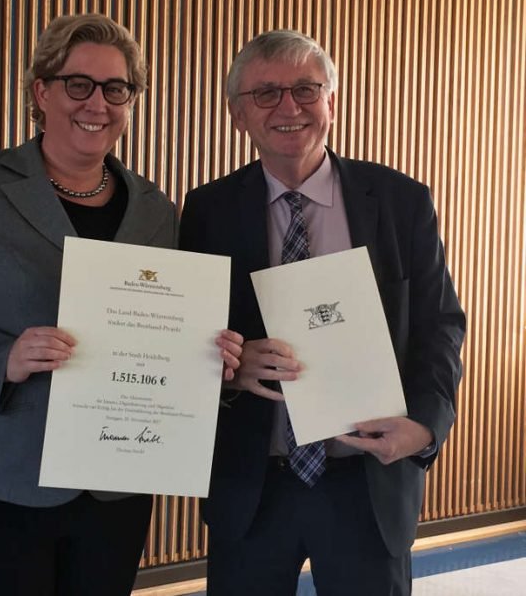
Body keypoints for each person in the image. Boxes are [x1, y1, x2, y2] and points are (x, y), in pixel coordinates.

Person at [0, 13, 242, 596]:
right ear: (41, 92)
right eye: (79, 84)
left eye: (115, 88)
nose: (97, 103)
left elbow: (162, 336)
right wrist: (2, 358)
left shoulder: (156, 210)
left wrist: (205, 362)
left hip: (112, 494)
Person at [179, 30, 465, 595]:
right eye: (266, 94)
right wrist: (233, 364)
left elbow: (440, 325)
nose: (289, 107)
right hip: (253, 484)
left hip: (368, 482)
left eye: (306, 89)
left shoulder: (400, 201)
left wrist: (427, 428)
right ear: (239, 115)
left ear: (331, 101)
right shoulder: (206, 210)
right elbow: (188, 338)